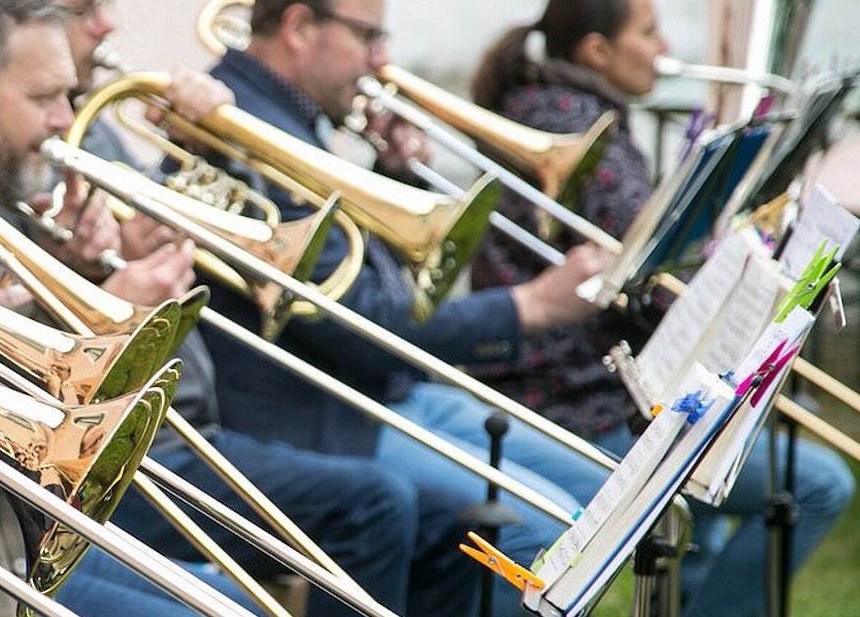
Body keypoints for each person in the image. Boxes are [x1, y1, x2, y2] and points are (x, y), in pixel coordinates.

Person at [0, 1, 457, 615]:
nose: (64, 120)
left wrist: (91, 269)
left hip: (139, 451)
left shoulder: (15, 185)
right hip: (15, 523)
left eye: (69, 97)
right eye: (46, 98)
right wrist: (107, 314)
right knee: (362, 513)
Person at [200, 0, 627, 614]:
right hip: (323, 415)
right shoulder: (238, 127)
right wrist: (526, 306)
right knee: (542, 538)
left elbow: (378, 287)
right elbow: (355, 326)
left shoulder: (292, 114)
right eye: (368, 37)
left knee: (600, 498)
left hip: (383, 390)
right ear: (298, 27)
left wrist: (400, 177)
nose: (382, 60)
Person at [468, 2, 855, 616]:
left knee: (736, 439)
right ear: (597, 51)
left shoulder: (559, 113)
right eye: (648, 33)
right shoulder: (580, 132)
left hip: (583, 385)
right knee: (818, 483)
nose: (663, 45)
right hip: (581, 400)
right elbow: (653, 281)